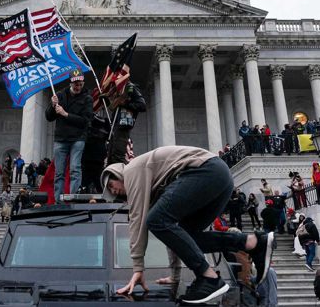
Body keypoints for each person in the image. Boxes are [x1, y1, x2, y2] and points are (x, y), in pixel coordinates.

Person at [100, 146, 275, 303]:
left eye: (111, 186)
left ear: (117, 174)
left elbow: (137, 221)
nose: (113, 191)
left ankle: (209, 278)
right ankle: (252, 242)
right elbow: (174, 236)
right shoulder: (153, 186)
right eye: (111, 193)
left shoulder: (132, 170)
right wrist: (175, 276)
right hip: (219, 178)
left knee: (154, 220)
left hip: (207, 171)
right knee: (186, 235)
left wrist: (138, 268)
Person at [45, 68, 93, 201]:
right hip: (61, 139)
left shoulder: (87, 98)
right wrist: (52, 105)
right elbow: (49, 117)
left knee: (75, 169)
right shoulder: (60, 95)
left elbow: (85, 121)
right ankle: (58, 200)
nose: (78, 86)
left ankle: (73, 198)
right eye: (75, 83)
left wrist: (66, 114)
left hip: (78, 138)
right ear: (70, 83)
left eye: (80, 83)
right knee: (59, 173)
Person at [104, 80, 147, 165]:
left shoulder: (130, 88)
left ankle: (122, 176)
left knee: (118, 156)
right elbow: (113, 108)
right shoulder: (118, 91)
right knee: (111, 156)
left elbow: (142, 106)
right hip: (115, 126)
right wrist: (107, 100)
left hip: (123, 126)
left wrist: (126, 104)